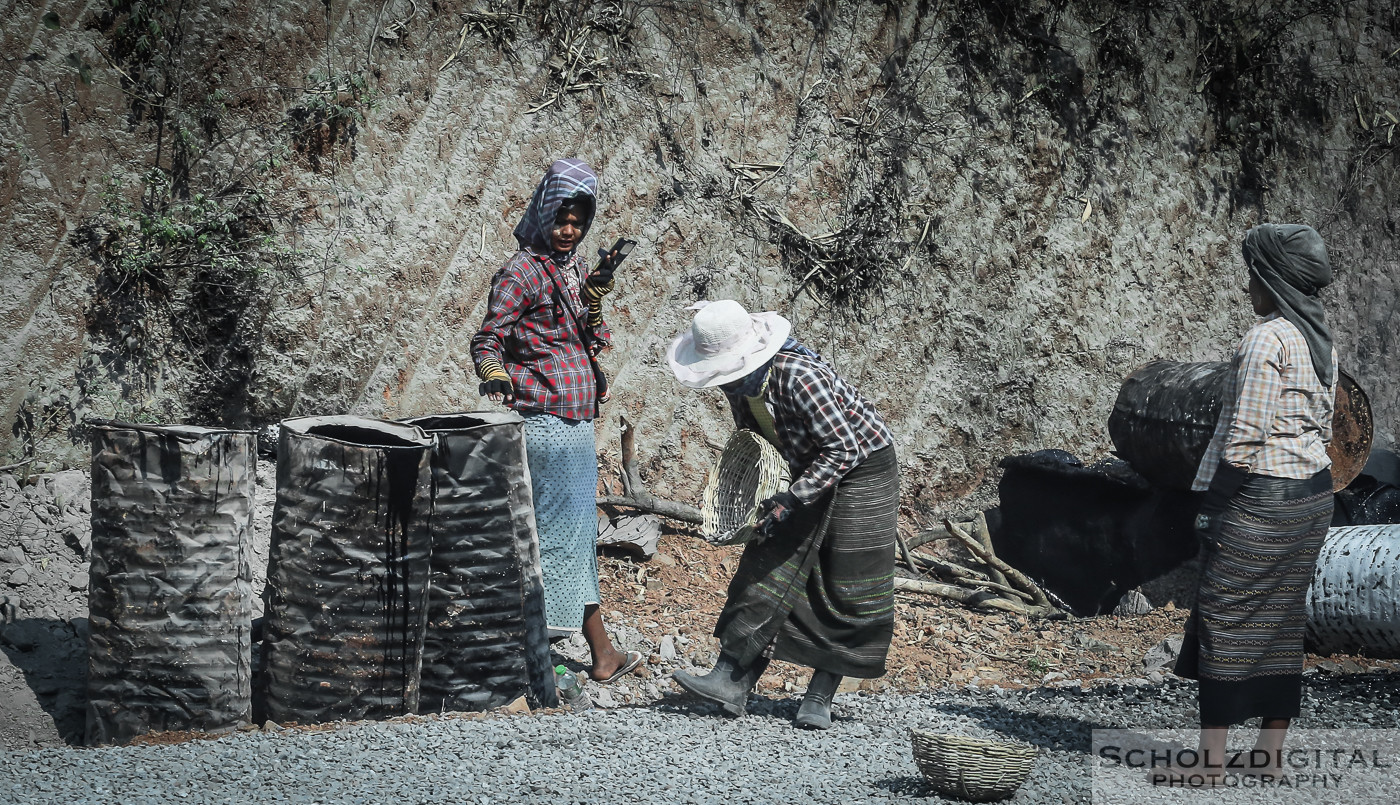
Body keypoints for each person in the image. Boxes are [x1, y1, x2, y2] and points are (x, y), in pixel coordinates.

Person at [665, 300, 898, 729]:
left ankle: (820, 696)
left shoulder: (799, 376)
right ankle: (731, 680)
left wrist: (794, 497)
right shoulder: (741, 386)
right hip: (805, 468)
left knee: (846, 576)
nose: (724, 383)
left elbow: (843, 448)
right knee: (768, 562)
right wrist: (774, 495)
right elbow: (760, 442)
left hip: (863, 466)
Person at [1172, 223, 1337, 782]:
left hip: (1263, 497)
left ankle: (1211, 763)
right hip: (1313, 495)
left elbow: (1246, 433)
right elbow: (1327, 426)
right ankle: (1267, 755)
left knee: (1225, 614)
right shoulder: (1319, 339)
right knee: (1281, 618)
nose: (1248, 286)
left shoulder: (1268, 337)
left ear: (1272, 279)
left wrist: (1212, 503)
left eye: (1253, 274)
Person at [469, 158, 641, 683]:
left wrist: (596, 293)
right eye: (563, 219)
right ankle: (533, 659)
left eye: (579, 222)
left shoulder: (571, 269)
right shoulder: (521, 271)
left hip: (575, 423)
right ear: (544, 213)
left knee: (575, 536)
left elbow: (586, 333)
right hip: (545, 423)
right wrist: (497, 375)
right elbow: (487, 337)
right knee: (554, 538)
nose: (570, 231)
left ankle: (601, 653)